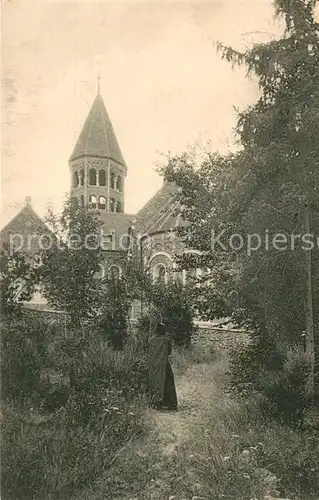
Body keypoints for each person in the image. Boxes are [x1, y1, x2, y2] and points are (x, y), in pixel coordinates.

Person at [148, 321, 178, 411]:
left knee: (154, 382)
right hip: (164, 363)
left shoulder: (151, 340)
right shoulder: (166, 340)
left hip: (153, 365)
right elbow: (169, 352)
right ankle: (170, 404)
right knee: (168, 382)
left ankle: (155, 403)